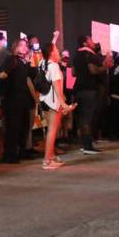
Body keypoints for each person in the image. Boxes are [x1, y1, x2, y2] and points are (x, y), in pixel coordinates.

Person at [0, 38, 38, 163]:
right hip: (14, 99)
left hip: (24, 99)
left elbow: (33, 74)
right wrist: (3, 74)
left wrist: (30, 61)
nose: (25, 47)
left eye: (26, 45)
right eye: (21, 45)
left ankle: (21, 151)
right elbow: (1, 76)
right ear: (15, 48)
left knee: (24, 127)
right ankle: (10, 154)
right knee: (13, 127)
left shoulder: (23, 62)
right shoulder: (11, 59)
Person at [38, 41, 73, 169]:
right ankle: (47, 160)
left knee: (51, 130)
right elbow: (57, 87)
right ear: (52, 52)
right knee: (53, 131)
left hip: (44, 100)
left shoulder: (41, 63)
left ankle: (51, 156)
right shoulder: (54, 66)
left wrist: (54, 38)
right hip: (53, 102)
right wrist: (63, 104)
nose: (58, 52)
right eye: (56, 50)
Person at [71, 35, 108, 155]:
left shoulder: (77, 55)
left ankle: (84, 144)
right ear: (85, 43)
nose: (93, 42)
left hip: (78, 90)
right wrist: (105, 66)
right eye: (90, 40)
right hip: (89, 90)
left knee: (82, 118)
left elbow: (73, 72)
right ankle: (87, 146)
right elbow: (93, 70)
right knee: (88, 118)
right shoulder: (90, 55)